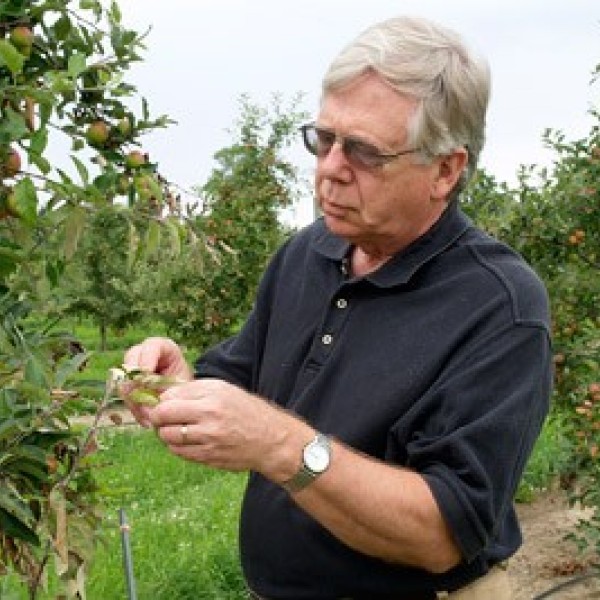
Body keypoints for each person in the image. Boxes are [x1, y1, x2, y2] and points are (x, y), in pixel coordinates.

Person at [121, 15, 552, 600]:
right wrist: (178, 385)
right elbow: (244, 381)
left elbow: (447, 531)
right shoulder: (309, 252)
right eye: (323, 140)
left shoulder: (498, 305)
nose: (329, 169)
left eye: (366, 153)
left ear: (446, 170)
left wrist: (280, 445)